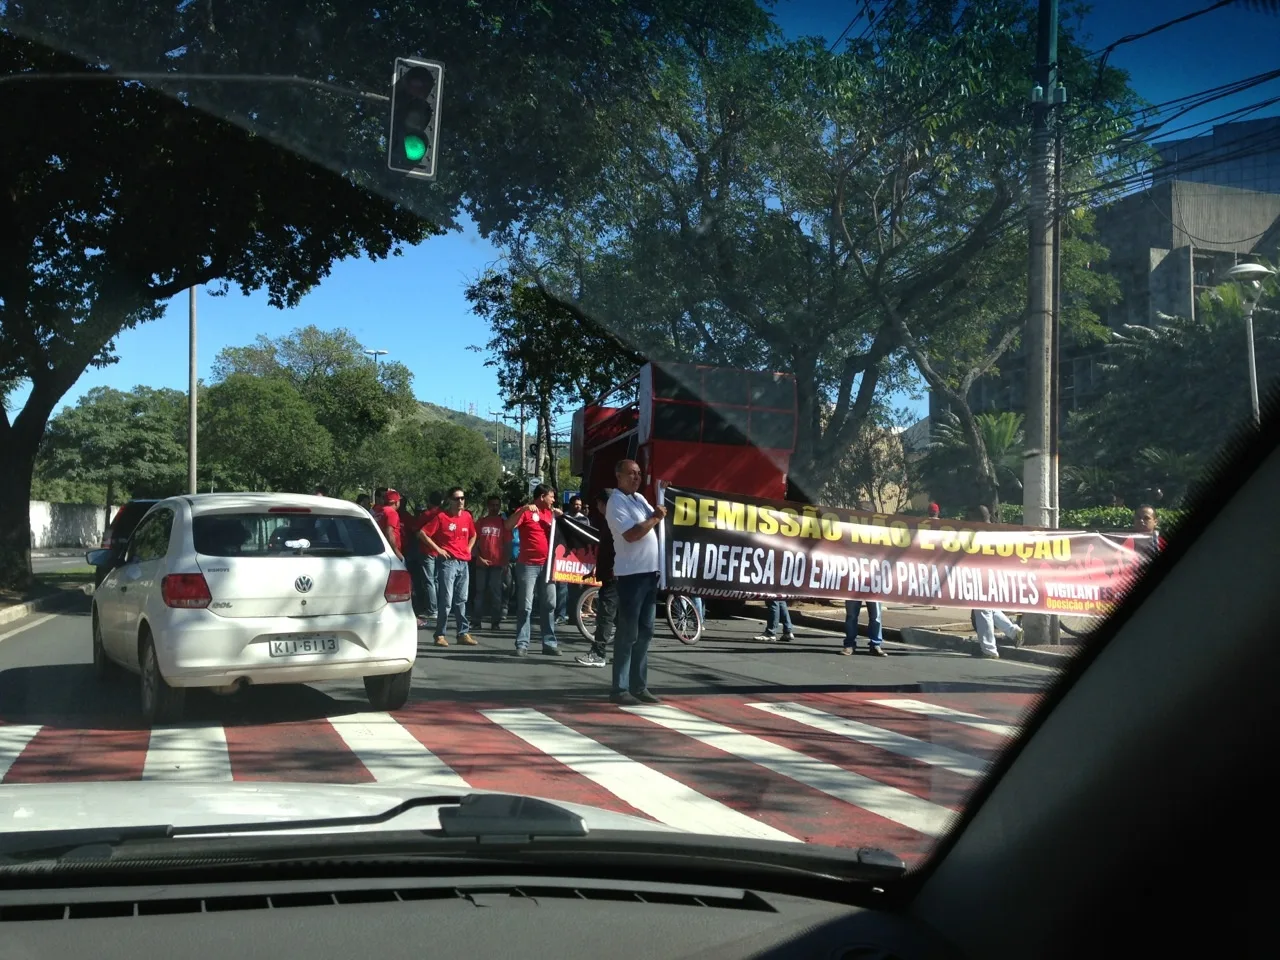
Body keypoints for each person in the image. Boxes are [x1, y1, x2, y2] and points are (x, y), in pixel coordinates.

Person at [606, 460, 664, 705]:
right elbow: (631, 534)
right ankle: (619, 689)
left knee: (646, 632)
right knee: (628, 633)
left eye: (639, 474)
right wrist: (655, 518)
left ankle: (638, 685)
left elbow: (655, 518)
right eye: (631, 473)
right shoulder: (616, 502)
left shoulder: (639, 499)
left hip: (650, 574)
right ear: (619, 476)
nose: (636, 477)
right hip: (632, 576)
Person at [505, 484, 562, 656]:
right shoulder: (527, 512)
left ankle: (549, 643)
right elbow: (508, 526)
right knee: (525, 606)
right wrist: (522, 510)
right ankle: (522, 644)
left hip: (548, 565)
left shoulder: (552, 514)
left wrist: (561, 518)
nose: (553, 500)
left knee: (549, 604)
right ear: (542, 496)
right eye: (551, 496)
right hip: (528, 565)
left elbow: (565, 536)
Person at [420, 487, 477, 647]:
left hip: (463, 562)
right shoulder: (441, 517)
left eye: (462, 498)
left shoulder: (467, 516)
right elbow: (423, 533)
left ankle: (462, 633)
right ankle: (440, 634)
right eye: (457, 498)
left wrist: (469, 548)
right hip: (448, 563)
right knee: (446, 601)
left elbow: (473, 534)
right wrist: (438, 549)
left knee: (461, 600)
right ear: (450, 501)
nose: (460, 501)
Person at [966, 504, 1023, 658]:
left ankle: (989, 650)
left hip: (984, 576)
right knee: (989, 608)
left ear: (977, 518)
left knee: (983, 610)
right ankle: (1013, 631)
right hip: (994, 576)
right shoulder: (996, 531)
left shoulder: (981, 534)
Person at [576, 490, 616, 668]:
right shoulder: (609, 522)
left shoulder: (616, 521)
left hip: (615, 577)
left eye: (599, 503)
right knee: (620, 618)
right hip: (612, 575)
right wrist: (596, 568)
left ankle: (598, 654)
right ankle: (623, 654)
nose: (598, 507)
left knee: (605, 617)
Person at [473, 495, 510, 630]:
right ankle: (476, 621)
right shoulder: (481, 522)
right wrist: (478, 557)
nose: (494, 508)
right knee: (479, 593)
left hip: (498, 564)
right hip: (481, 563)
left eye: (497, 505)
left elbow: (507, 544)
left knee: (496, 593)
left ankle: (495, 622)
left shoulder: (503, 524)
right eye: (492, 505)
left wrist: (506, 562)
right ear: (488, 506)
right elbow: (473, 542)